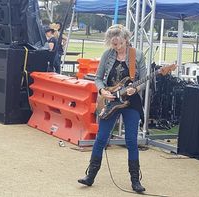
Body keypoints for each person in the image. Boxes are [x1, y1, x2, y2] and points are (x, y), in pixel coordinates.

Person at [78, 24, 147, 193]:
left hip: (131, 102)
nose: (116, 47)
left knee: (131, 140)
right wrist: (102, 91)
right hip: (111, 100)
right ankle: (90, 175)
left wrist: (136, 89)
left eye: (119, 43)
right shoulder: (107, 55)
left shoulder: (137, 55)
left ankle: (135, 180)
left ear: (126, 39)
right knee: (101, 138)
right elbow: (98, 78)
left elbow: (145, 80)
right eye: (113, 44)